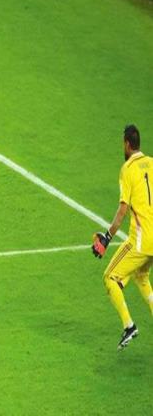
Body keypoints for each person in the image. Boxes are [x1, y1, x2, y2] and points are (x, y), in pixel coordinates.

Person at [92, 124, 153, 351]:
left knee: (110, 277)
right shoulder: (152, 163)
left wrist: (107, 237)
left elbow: (123, 209)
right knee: (141, 275)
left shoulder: (127, 169)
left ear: (127, 144)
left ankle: (129, 326)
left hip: (140, 242)